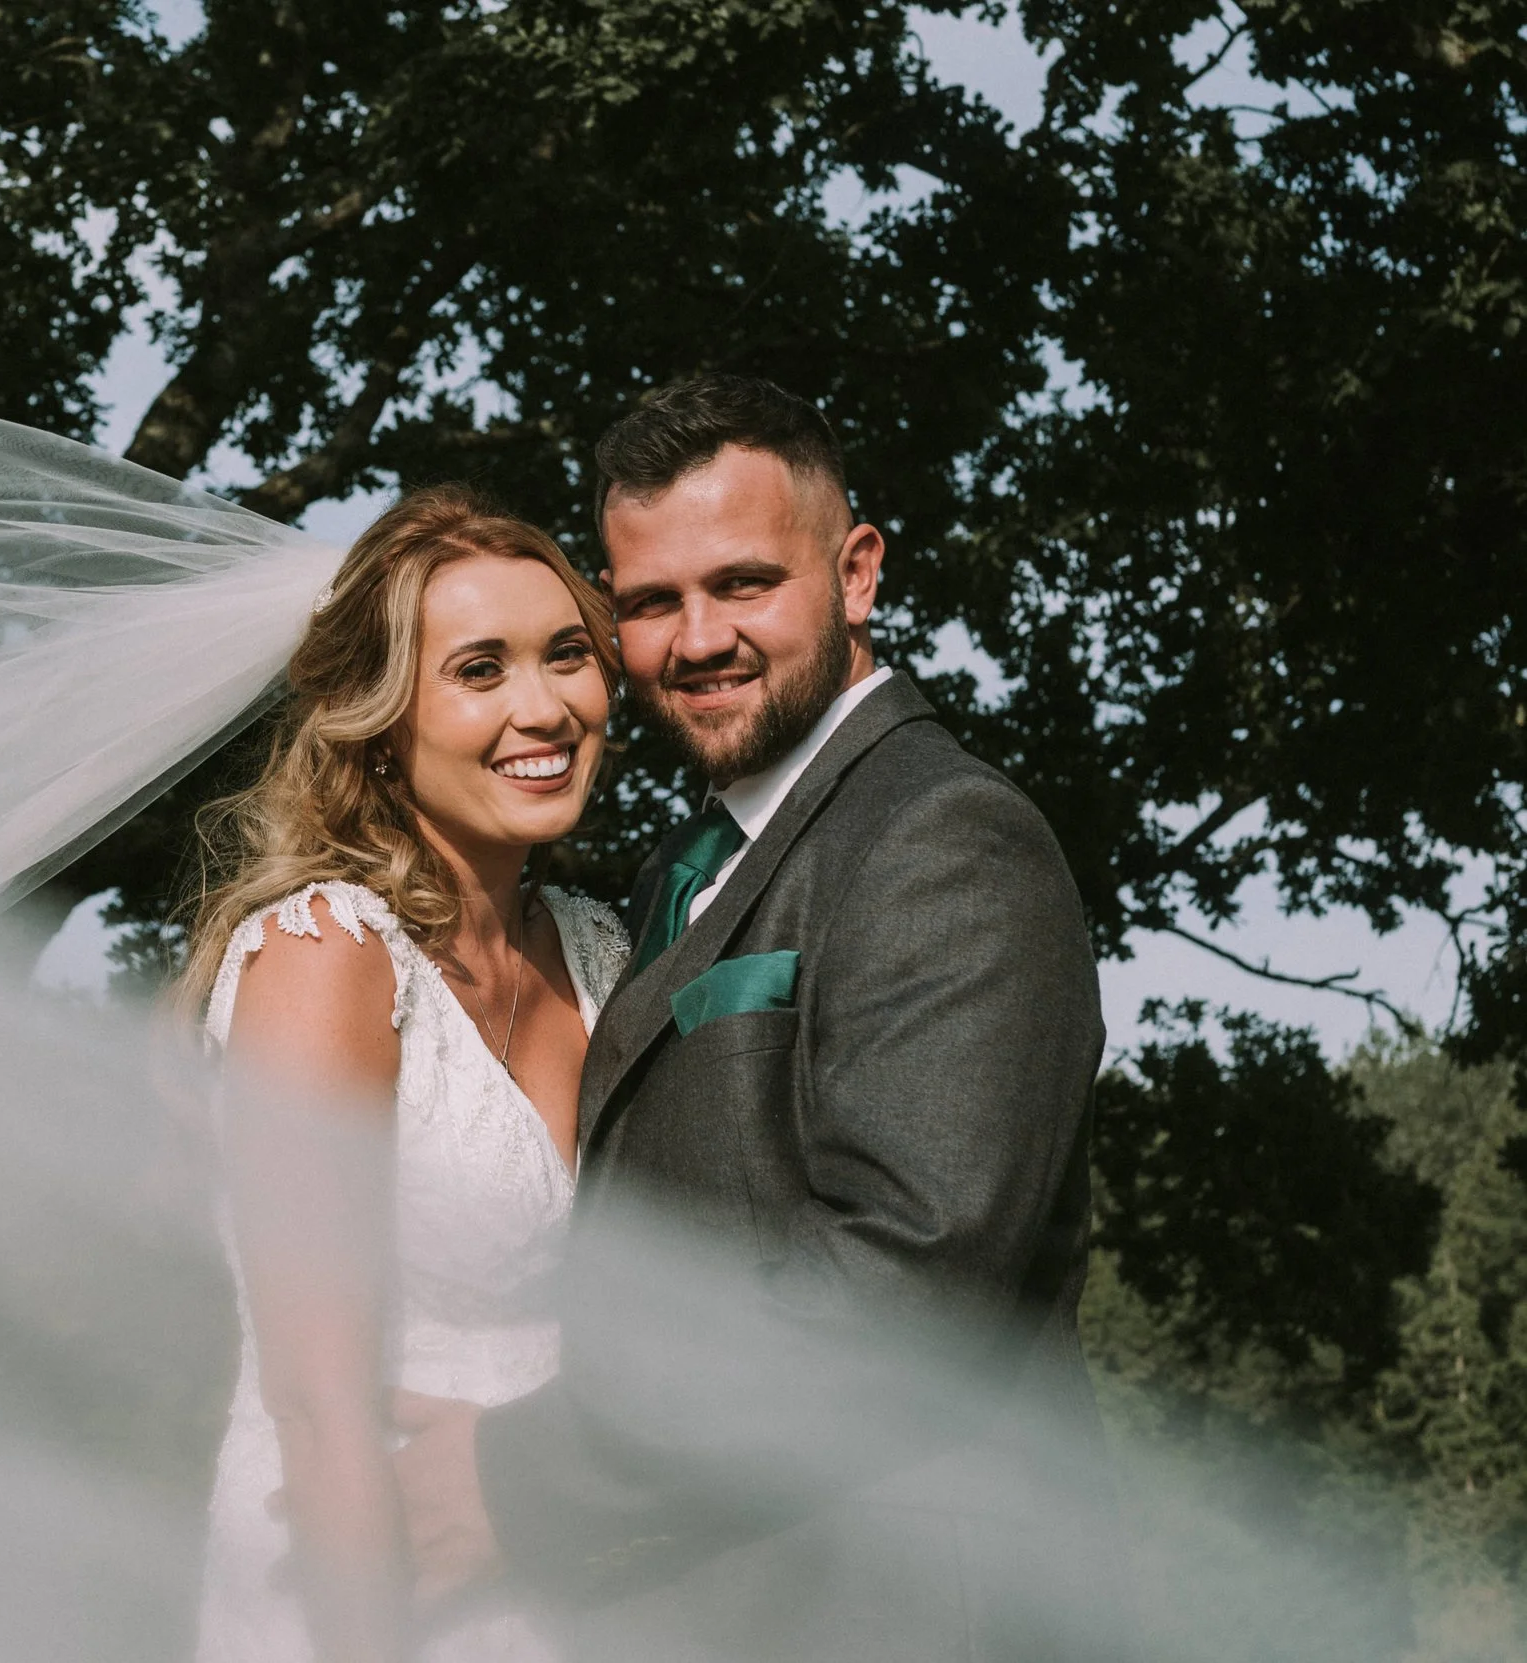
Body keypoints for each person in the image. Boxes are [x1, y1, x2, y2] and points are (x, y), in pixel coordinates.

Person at [387, 374, 1123, 1663]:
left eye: (743, 584)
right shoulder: (671, 873)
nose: (697, 637)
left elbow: (908, 1274)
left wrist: (519, 1475)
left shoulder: (942, 836)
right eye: (649, 602)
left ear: (856, 572)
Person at [187, 487, 631, 1663]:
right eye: (478, 669)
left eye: (567, 656)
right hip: (354, 1567)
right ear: (384, 718)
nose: (542, 708)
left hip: (554, 1561)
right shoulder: (324, 957)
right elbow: (316, 1407)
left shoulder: (599, 953)